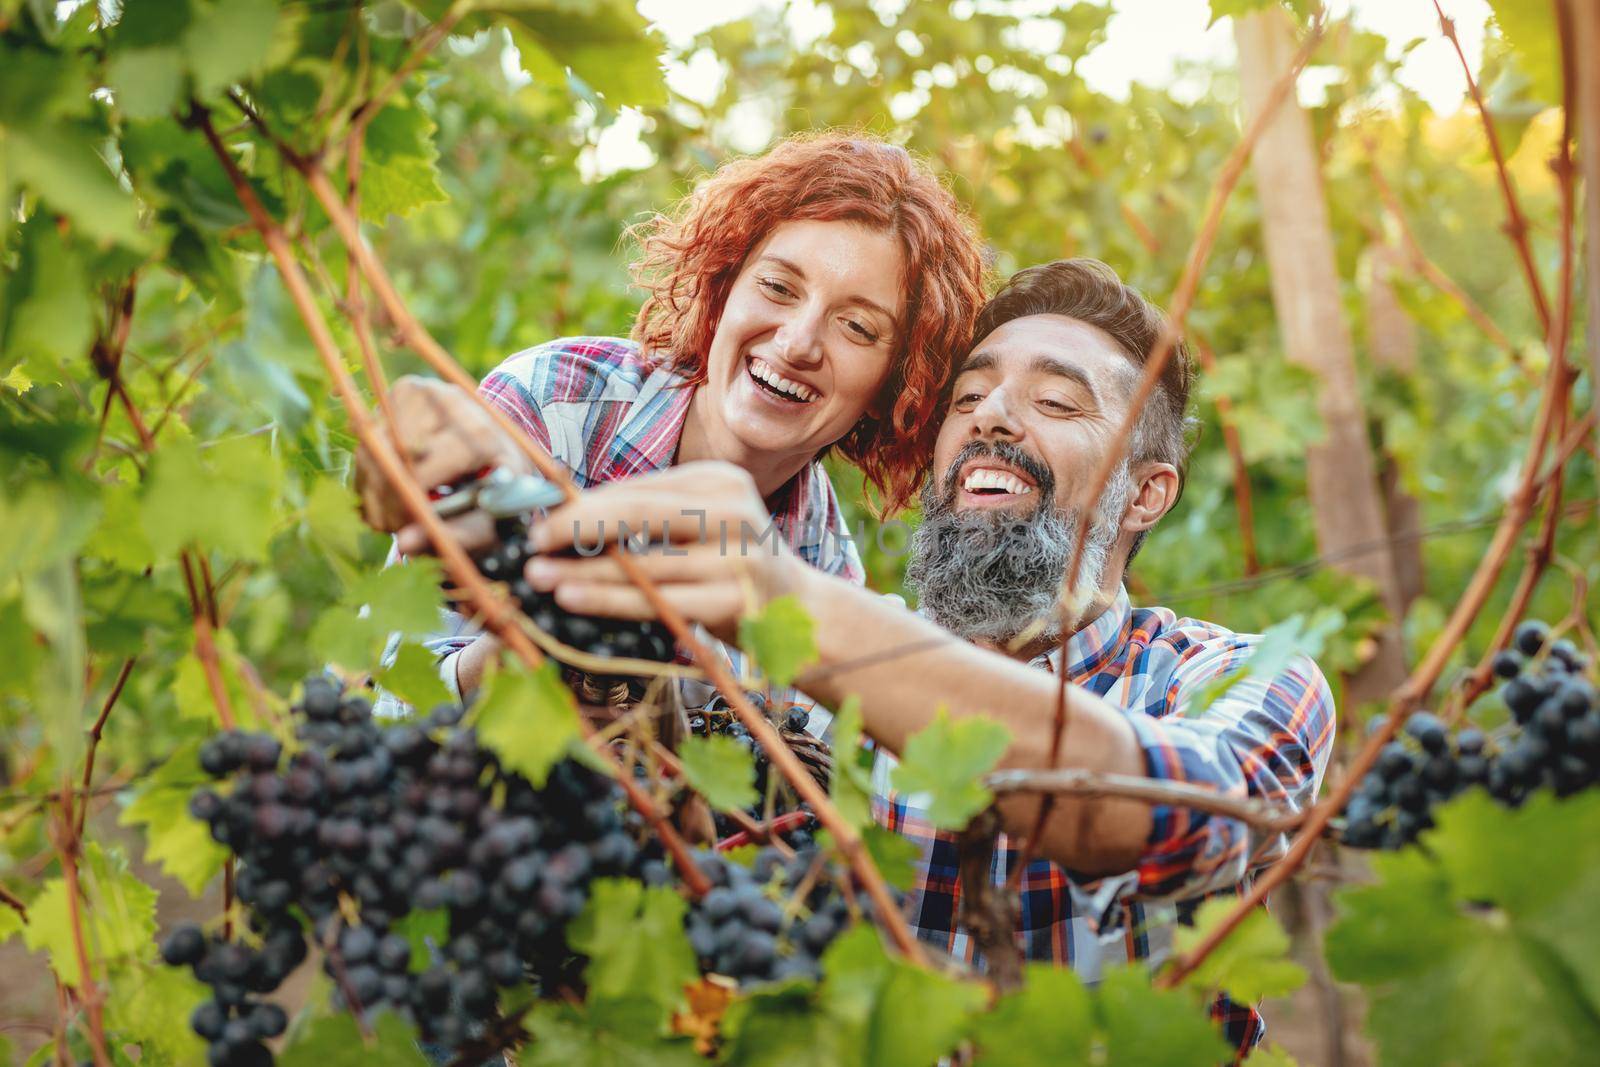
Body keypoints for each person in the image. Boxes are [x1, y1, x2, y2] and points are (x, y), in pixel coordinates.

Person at [494, 259, 1336, 1059]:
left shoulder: (1239, 676)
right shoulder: (805, 693)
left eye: (1056, 401)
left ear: (1147, 492)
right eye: (968, 395)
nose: (991, 415)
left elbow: (1189, 822)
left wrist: (789, 603)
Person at [359, 131, 986, 702]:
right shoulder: (550, 405)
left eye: (856, 326)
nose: (798, 343)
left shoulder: (820, 558)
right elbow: (387, 700)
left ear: (893, 385)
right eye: (777, 287)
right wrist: (546, 650)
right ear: (723, 288)